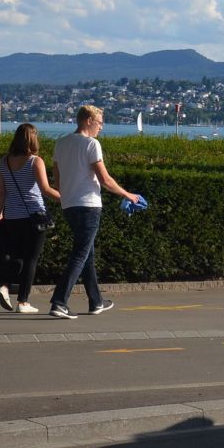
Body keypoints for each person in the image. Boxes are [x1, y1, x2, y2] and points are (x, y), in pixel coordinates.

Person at [48, 105, 142, 319]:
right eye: (99, 122)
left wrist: (67, 194)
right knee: (81, 253)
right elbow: (105, 180)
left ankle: (96, 301)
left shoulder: (61, 144)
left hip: (69, 205)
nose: (102, 127)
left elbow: (58, 179)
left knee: (86, 252)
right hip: (88, 205)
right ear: (88, 120)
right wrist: (129, 195)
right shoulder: (92, 144)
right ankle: (59, 301)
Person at [0, 123, 60, 314]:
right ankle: (23, 302)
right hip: (34, 215)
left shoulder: (3, 162)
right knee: (31, 259)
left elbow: (1, 192)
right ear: (32, 139)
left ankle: (5, 286)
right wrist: (66, 199)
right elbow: (46, 190)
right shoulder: (34, 161)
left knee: (18, 257)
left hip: (12, 215)